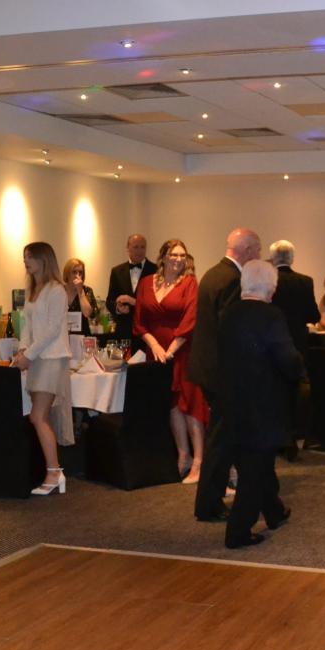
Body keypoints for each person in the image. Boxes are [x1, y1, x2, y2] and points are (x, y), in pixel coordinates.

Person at [217, 260, 304, 548]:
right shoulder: (271, 316)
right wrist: (300, 369)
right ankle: (237, 532)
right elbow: (287, 358)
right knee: (255, 469)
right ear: (270, 287)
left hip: (233, 400)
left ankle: (274, 511)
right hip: (263, 403)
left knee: (257, 462)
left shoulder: (228, 314)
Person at [190, 227, 263, 522]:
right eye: (257, 250)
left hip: (207, 368)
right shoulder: (233, 280)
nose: (258, 256)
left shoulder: (211, 274)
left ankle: (234, 495)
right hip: (222, 373)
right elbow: (230, 331)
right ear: (247, 251)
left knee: (223, 437)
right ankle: (208, 503)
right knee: (220, 441)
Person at [134, 239, 209, 482]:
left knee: (191, 405)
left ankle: (199, 461)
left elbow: (190, 320)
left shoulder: (189, 283)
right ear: (163, 257)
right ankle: (183, 455)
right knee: (171, 405)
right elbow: (139, 322)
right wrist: (155, 346)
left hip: (183, 352)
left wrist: (171, 350)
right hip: (156, 354)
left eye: (182, 255)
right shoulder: (146, 282)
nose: (178, 259)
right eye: (174, 254)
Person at [12, 242, 72, 496]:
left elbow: (52, 330)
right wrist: (23, 350)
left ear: (43, 259)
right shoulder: (33, 289)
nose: (26, 261)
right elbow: (27, 326)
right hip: (38, 357)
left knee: (38, 416)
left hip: (52, 358)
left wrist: (29, 355)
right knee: (40, 416)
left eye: (30, 257)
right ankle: (53, 470)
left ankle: (54, 471)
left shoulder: (56, 289)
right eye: (24, 256)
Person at [269, 240, 319, 358]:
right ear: (291, 258)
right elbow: (314, 316)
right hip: (298, 340)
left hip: (273, 339)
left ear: (272, 258)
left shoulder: (268, 280)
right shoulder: (305, 281)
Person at [105, 233, 156, 348]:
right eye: (136, 247)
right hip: (124, 332)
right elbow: (109, 301)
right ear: (128, 248)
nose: (139, 251)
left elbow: (156, 305)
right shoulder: (116, 271)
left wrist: (133, 301)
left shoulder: (155, 270)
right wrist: (118, 308)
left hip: (148, 333)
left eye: (142, 247)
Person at [62, 258, 99, 336]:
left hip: (82, 335)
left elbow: (88, 313)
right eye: (74, 272)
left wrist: (80, 291)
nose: (77, 275)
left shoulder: (87, 290)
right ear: (67, 274)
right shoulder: (59, 290)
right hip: (63, 335)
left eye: (80, 272)